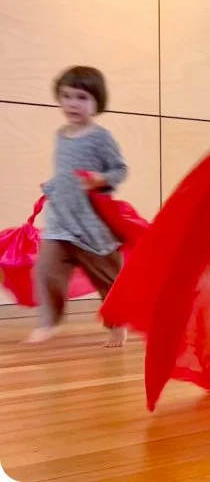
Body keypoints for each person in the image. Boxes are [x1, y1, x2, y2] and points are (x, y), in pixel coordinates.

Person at [25, 66, 129, 347]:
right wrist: (53, 187)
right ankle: (49, 322)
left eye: (81, 97)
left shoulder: (101, 138)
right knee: (45, 271)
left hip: (92, 227)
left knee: (108, 282)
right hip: (60, 221)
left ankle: (117, 324)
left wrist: (101, 179)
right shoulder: (61, 134)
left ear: (97, 102)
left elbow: (119, 170)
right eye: (67, 96)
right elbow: (65, 172)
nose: (72, 103)